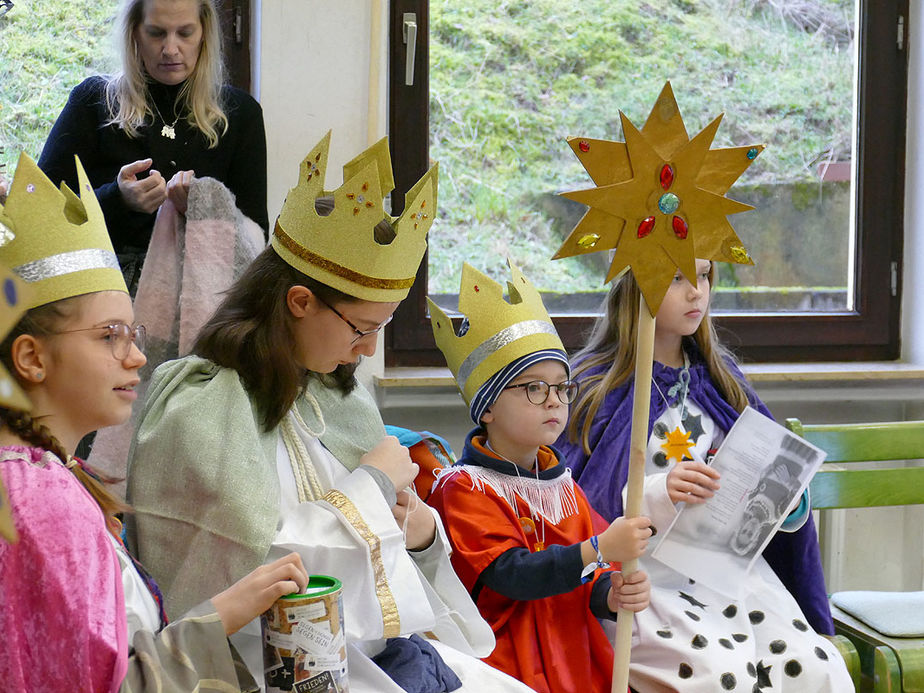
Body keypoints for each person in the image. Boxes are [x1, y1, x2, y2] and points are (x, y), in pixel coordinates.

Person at [126, 133, 537, 692]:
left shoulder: (336, 396)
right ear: (299, 302)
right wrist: (370, 486)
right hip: (270, 667)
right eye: (362, 329)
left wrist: (419, 535)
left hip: (374, 648)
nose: (368, 351)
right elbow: (252, 571)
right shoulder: (199, 402)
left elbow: (390, 565)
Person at [0, 153, 307, 692]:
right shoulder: (42, 503)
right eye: (109, 335)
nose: (138, 357)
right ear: (31, 358)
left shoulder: (43, 475)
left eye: (133, 334)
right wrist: (227, 612)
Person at [554, 258, 853, 692]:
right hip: (645, 583)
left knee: (815, 667)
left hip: (733, 580)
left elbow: (773, 493)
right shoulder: (595, 388)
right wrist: (662, 492)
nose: (697, 291)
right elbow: (575, 509)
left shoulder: (721, 380)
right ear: (638, 284)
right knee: (718, 677)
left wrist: (785, 498)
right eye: (677, 277)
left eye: (705, 274)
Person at [426, 261, 653, 693]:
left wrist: (610, 595)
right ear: (487, 407)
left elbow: (586, 578)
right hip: (507, 662)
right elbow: (512, 575)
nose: (553, 400)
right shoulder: (464, 489)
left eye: (561, 387)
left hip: (572, 653)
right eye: (533, 388)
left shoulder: (560, 483)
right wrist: (599, 548)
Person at [37, 0, 268, 291]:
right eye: (156, 33)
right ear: (134, 33)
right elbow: (40, 212)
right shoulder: (93, 101)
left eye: (185, 33)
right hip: (103, 290)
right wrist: (117, 199)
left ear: (205, 34)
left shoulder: (240, 113)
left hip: (205, 294)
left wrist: (203, 209)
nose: (171, 49)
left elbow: (257, 239)